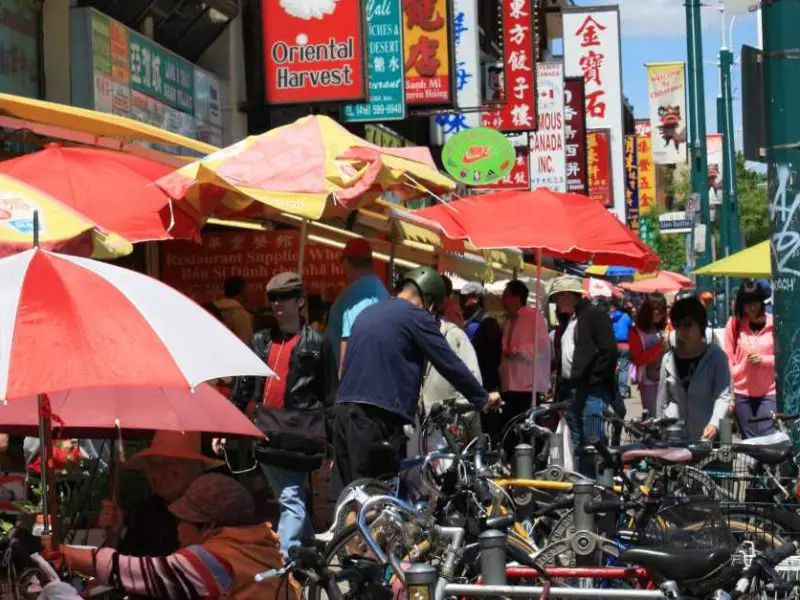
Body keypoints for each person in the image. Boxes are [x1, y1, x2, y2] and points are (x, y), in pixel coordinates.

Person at [333, 266, 500, 486]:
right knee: (379, 496)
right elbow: (448, 362)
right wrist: (482, 398)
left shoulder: (368, 313)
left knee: (353, 497)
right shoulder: (415, 316)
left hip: (343, 413)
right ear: (428, 300)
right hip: (375, 418)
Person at [48, 473, 298, 600]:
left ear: (207, 525)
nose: (176, 527)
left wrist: (57, 551)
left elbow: (131, 570)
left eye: (182, 520)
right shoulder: (259, 545)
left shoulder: (213, 558)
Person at [230, 272, 337, 557]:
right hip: (268, 431)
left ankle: (288, 562)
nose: (277, 304)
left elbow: (329, 395)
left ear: (300, 301)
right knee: (292, 497)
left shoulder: (317, 343)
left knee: (291, 498)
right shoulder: (261, 340)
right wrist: (228, 422)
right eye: (273, 298)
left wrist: (331, 444)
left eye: (285, 298)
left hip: (301, 433)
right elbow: (244, 384)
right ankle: (308, 554)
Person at [99, 430, 222, 557]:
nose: (157, 472)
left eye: (169, 462)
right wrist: (113, 536)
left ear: (195, 467)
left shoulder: (214, 512)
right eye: (152, 463)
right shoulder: (148, 511)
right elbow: (125, 566)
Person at [550, 276, 617, 477]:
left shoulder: (593, 315)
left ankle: (601, 488)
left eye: (558, 298)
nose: (556, 304)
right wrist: (560, 394)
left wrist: (594, 379)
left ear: (568, 295)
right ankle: (585, 488)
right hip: (572, 389)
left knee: (593, 442)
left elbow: (609, 351)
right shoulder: (566, 321)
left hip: (591, 389)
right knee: (579, 443)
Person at [657, 296, 731, 441]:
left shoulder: (716, 357)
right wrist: (659, 431)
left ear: (701, 325)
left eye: (687, 324)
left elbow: (723, 396)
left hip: (706, 435)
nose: (681, 330)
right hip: (674, 435)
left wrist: (714, 424)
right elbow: (662, 400)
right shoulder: (668, 359)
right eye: (677, 325)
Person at [490, 280, 550, 455]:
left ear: (517, 297)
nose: (503, 299)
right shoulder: (509, 320)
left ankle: (531, 460)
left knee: (526, 426)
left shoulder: (533, 316)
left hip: (526, 385)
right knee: (510, 426)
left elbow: (541, 347)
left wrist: (516, 350)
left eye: (506, 295)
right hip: (509, 382)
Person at [326, 238, 389, 375]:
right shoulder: (379, 288)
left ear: (347, 262)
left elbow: (349, 338)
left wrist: (342, 383)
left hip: (353, 378)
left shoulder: (357, 292)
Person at [724, 280, 776, 438]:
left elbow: (783, 358)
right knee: (749, 443)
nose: (751, 307)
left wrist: (764, 359)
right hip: (741, 393)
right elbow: (728, 358)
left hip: (768, 392)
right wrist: (730, 393)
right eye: (747, 304)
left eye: (755, 302)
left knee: (768, 438)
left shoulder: (774, 324)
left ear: (761, 301)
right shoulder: (735, 325)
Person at [629, 293, 668, 416]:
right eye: (655, 309)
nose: (659, 313)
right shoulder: (635, 332)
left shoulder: (665, 329)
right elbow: (638, 359)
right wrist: (659, 346)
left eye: (662, 309)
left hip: (668, 380)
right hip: (649, 383)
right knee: (654, 417)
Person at [460, 282, 502, 394]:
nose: (461, 301)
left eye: (464, 298)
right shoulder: (462, 318)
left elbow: (494, 356)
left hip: (483, 380)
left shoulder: (488, 322)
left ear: (475, 298)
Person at [214, 276, 254, 344]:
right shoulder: (241, 315)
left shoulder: (212, 310)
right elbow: (245, 344)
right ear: (243, 290)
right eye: (246, 289)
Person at [610, 297, 634, 400]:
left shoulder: (609, 318)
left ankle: (613, 390)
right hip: (625, 345)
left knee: (614, 368)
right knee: (624, 369)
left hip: (613, 345)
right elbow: (632, 328)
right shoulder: (626, 318)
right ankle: (622, 391)